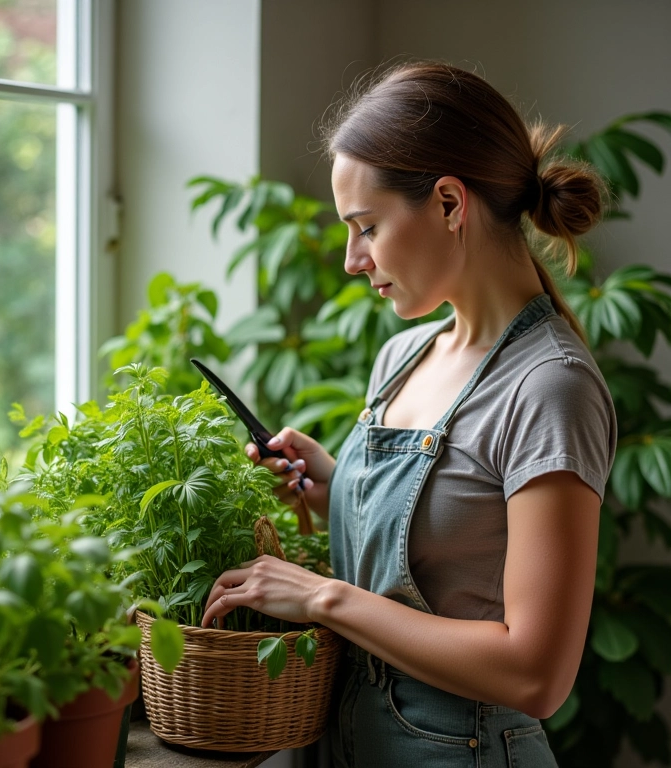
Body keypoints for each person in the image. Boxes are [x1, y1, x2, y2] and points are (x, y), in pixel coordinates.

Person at [202, 62, 617, 767]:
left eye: (365, 227)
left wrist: (323, 599)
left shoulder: (551, 387)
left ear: (450, 204)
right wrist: (336, 487)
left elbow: (536, 674)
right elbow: (449, 546)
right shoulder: (402, 354)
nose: (350, 260)